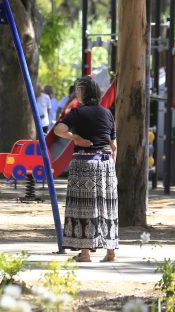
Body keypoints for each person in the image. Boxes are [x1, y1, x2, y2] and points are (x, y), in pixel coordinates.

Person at [53, 76, 118, 263]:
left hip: (85, 163)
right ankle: (111, 252)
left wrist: (75, 138)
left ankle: (85, 253)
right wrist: (113, 170)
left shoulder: (78, 113)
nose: (77, 94)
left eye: (78, 90)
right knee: (108, 207)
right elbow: (113, 146)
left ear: (83, 92)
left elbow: (58, 129)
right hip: (106, 164)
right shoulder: (107, 113)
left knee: (84, 208)